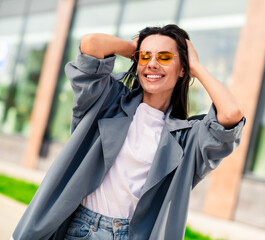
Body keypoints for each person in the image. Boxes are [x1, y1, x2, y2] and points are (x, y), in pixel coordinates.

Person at [12, 24, 245, 240]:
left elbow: (230, 114)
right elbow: (91, 44)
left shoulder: (187, 138)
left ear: (182, 69)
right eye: (146, 56)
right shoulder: (107, 101)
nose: (152, 64)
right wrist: (133, 48)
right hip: (81, 229)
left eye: (164, 57)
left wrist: (197, 67)